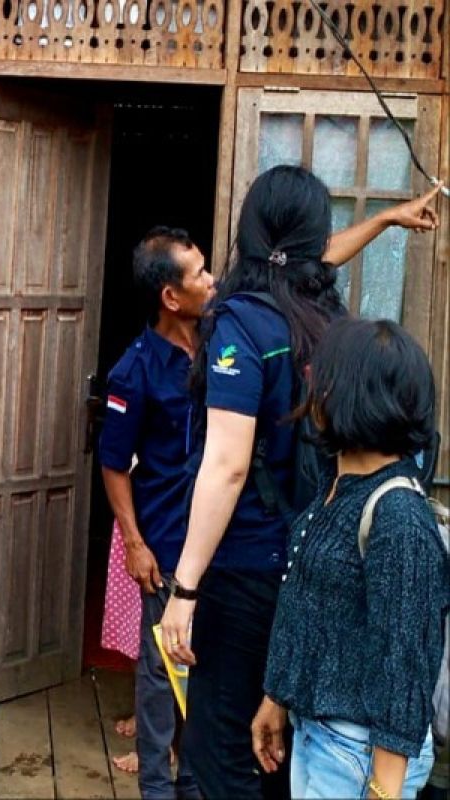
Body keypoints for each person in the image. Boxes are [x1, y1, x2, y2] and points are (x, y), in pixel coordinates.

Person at [159, 165, 442, 798]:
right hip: (302, 562)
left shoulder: (240, 324)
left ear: (251, 229)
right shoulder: (324, 316)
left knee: (219, 755)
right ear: (312, 242)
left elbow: (227, 465)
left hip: (241, 570)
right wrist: (386, 219)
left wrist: (186, 586)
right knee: (278, 751)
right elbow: (314, 260)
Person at [249, 317, 449, 799]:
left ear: (351, 393)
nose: (311, 383)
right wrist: (276, 697)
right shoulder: (336, 486)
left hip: (363, 757)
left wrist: (384, 789)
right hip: (322, 737)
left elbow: (405, 663)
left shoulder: (398, 517)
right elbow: (306, 605)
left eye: (322, 375)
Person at [99, 227, 213, 798]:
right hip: (165, 543)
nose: (213, 282)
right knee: (160, 670)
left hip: (220, 542)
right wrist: (135, 543)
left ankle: (194, 781)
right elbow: (114, 463)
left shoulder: (222, 345)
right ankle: (156, 786)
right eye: (199, 275)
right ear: (171, 296)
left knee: (209, 667)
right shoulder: (135, 369)